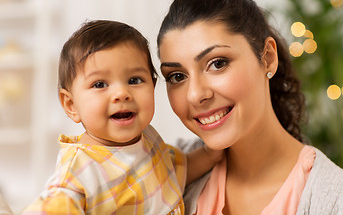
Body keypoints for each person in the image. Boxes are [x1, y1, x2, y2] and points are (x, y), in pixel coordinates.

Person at [157, 0, 343, 215]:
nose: (195, 94)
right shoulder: (164, 172)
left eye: (218, 63)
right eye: (177, 76)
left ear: (268, 59)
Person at [22, 20, 223, 214]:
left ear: (153, 87)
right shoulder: (80, 171)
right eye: (100, 84)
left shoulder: (147, 139)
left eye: (134, 80)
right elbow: (52, 207)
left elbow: (175, 172)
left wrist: (210, 154)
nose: (122, 93)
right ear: (71, 105)